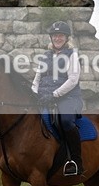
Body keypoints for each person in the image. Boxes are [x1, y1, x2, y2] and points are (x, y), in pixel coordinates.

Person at [32, 21, 84, 176]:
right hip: (44, 97)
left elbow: (73, 80)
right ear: (51, 38)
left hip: (68, 97)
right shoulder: (45, 56)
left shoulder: (72, 55)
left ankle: (75, 161)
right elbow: (37, 79)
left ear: (66, 38)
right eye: (55, 35)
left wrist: (54, 95)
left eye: (60, 35)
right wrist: (34, 93)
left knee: (65, 120)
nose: (57, 38)